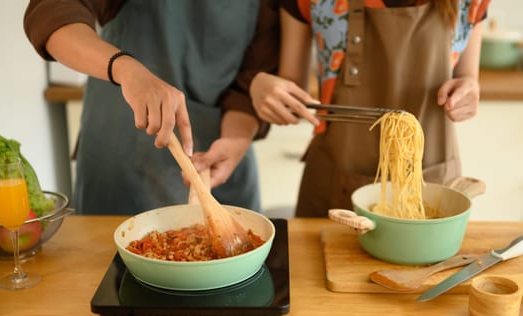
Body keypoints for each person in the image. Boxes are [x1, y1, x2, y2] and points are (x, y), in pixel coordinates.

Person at [24, 0, 280, 215]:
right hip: (125, 160)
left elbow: (251, 82)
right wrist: (126, 69)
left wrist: (235, 140)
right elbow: (53, 12)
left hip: (224, 160)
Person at [250, 0, 489, 217]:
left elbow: (468, 77)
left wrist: (469, 90)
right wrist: (263, 88)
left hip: (433, 184)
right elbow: (292, 91)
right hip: (334, 184)